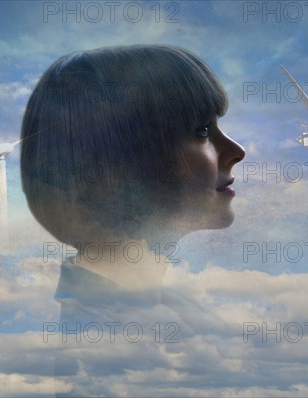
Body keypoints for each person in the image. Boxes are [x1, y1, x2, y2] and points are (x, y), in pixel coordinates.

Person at [20, 44, 245, 333]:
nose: (237, 151)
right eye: (201, 131)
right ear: (117, 166)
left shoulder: (165, 312)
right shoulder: (112, 340)